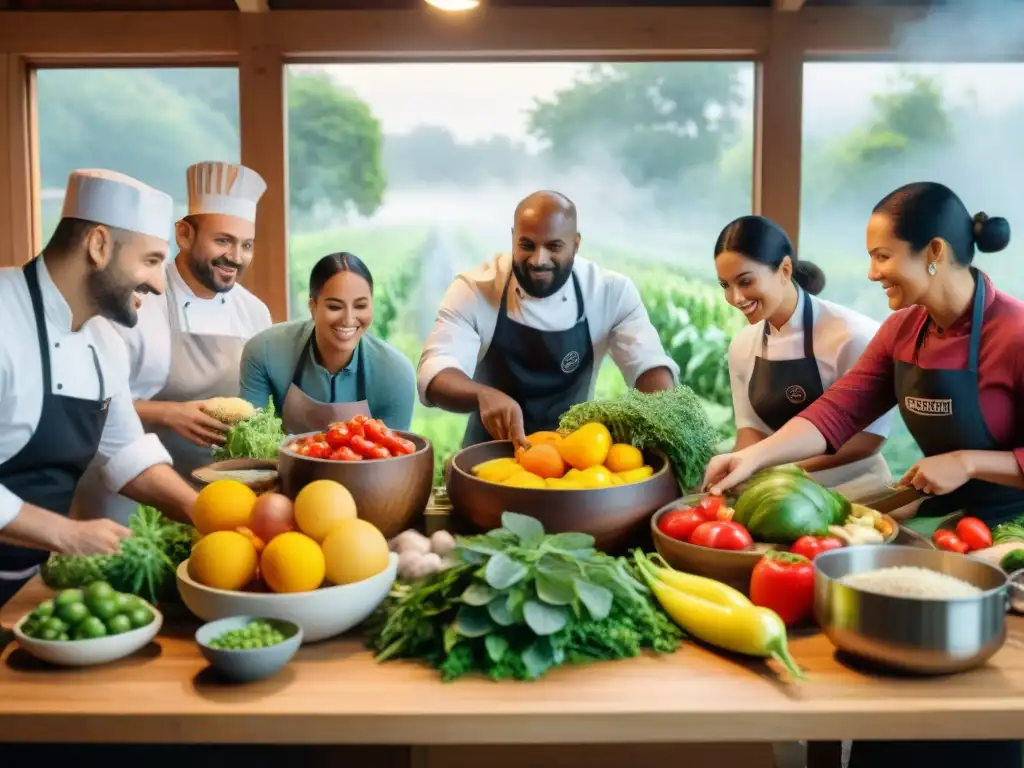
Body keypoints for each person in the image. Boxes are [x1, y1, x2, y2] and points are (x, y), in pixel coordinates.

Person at [704, 182, 1023, 768]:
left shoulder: (1015, 332)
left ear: (932, 251)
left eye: (882, 255)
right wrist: (754, 456)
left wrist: (972, 462)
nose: (872, 272)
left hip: (1011, 537)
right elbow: (838, 410)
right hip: (945, 528)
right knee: (899, 691)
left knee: (980, 706)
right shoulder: (906, 330)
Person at [0, 169, 199, 606]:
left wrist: (205, 513)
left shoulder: (102, 341)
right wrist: (65, 533)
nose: (159, 283)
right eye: (150, 261)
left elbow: (126, 454)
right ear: (99, 245)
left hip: (30, 592)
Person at [71, 161, 272, 525]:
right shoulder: (133, 298)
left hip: (215, 490)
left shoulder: (254, 313)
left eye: (246, 245)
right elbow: (88, 403)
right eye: (223, 240)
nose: (236, 257)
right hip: (124, 495)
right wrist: (170, 413)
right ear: (183, 234)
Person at [417, 190, 679, 449]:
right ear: (512, 239)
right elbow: (437, 369)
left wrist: (662, 425)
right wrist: (482, 395)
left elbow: (648, 365)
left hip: (575, 460)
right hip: (488, 459)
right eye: (526, 245)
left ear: (576, 244)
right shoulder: (475, 289)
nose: (538, 260)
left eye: (553, 246)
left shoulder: (610, 292)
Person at [716, 215, 893, 493]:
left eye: (745, 281)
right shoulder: (742, 345)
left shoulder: (855, 336)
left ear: (785, 269)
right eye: (725, 285)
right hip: (777, 490)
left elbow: (867, 438)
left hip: (855, 488)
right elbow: (751, 429)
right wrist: (738, 469)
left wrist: (779, 469)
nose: (736, 298)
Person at [239, 252, 416, 434]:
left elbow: (393, 456)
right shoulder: (264, 352)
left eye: (360, 306)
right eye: (335, 307)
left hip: (367, 464)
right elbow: (254, 443)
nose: (348, 319)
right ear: (313, 307)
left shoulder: (396, 373)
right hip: (277, 463)